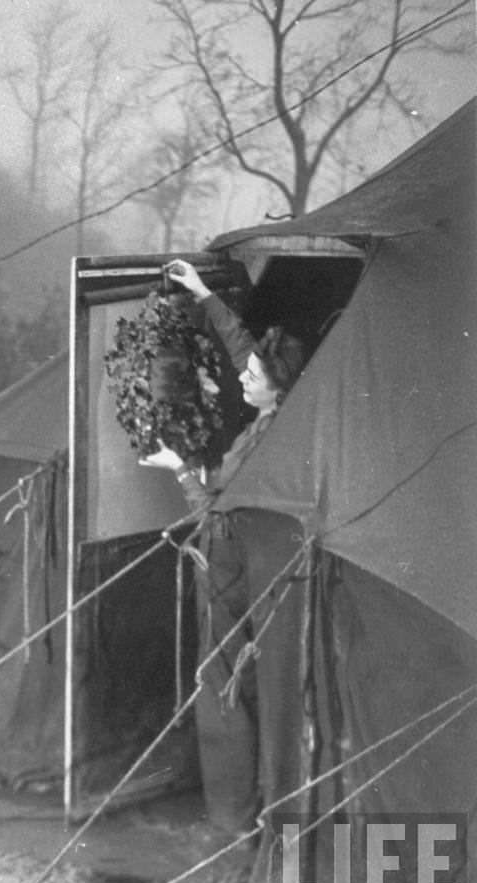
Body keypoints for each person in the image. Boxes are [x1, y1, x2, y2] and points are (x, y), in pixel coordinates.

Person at [140, 259, 307, 836]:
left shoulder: (271, 440)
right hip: (240, 568)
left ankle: (235, 818)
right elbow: (244, 354)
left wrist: (181, 469)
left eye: (253, 379)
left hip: (232, 570)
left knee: (225, 688)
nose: (242, 379)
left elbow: (215, 512)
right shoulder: (279, 415)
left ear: (276, 388)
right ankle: (242, 809)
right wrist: (205, 293)